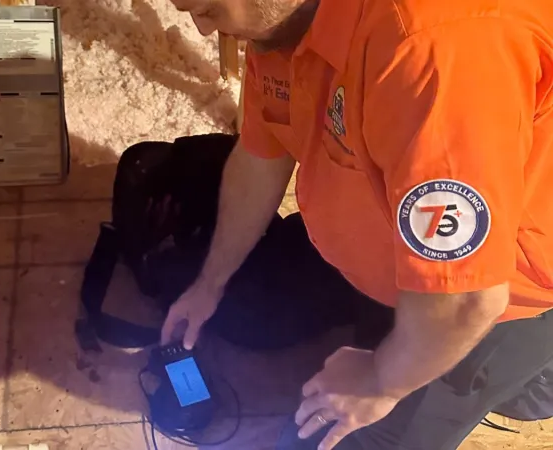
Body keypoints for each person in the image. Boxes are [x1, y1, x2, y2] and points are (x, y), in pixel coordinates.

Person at [159, 0, 553, 449]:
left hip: (497, 299)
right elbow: (260, 156)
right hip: (390, 254)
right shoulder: (278, 25)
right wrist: (209, 284)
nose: (203, 31)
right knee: (247, 318)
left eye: (209, 10)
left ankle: (533, 374)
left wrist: (382, 381)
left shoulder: (437, 50)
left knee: (319, 440)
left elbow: (468, 299)